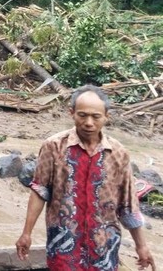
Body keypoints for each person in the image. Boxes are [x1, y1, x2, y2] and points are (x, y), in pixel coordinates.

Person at [15, 85, 157, 271]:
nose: (89, 122)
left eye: (96, 116)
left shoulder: (119, 153)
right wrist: (27, 233)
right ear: (72, 113)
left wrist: (142, 246)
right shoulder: (53, 146)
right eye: (82, 115)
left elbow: (128, 205)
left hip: (104, 249)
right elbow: (40, 191)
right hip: (64, 246)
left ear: (107, 116)